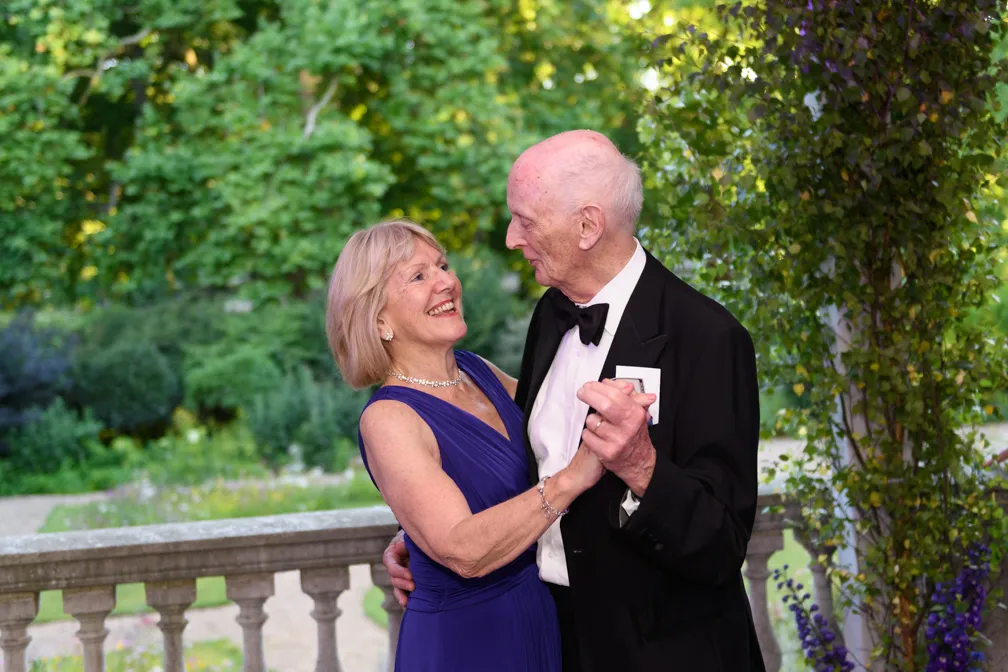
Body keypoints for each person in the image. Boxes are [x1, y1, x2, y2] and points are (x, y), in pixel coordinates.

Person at [382, 130, 767, 671]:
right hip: (552, 638)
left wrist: (642, 468)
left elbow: (721, 544)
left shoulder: (706, 338)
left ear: (588, 226)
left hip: (666, 651)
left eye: (527, 221)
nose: (513, 238)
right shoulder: (551, 316)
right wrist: (423, 528)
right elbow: (532, 456)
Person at [326, 219, 654, 672]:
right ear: (378, 317)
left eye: (442, 265)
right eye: (418, 276)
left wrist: (415, 531)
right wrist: (570, 480)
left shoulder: (476, 371)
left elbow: (558, 427)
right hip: (468, 641)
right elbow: (462, 550)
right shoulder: (387, 418)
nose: (446, 282)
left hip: (538, 615)